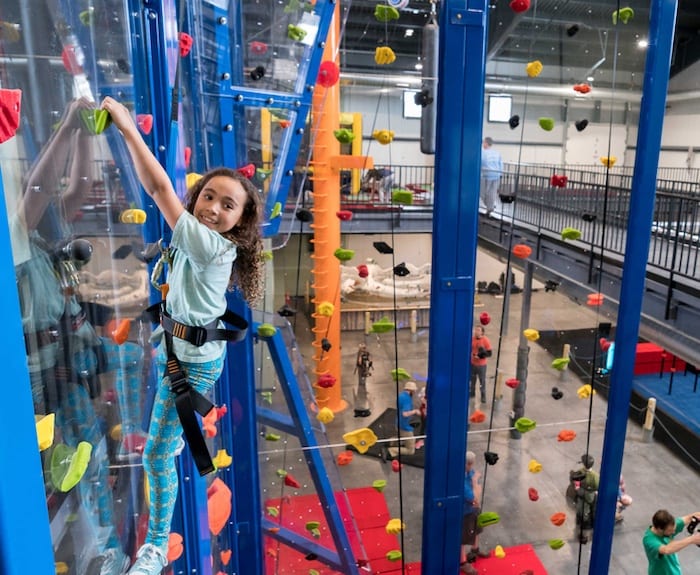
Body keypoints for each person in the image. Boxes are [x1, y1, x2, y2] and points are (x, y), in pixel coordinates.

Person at [101, 97, 265, 575]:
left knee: (157, 453)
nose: (213, 208)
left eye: (227, 204)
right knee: (163, 447)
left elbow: (156, 187)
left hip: (191, 361)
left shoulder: (214, 248)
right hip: (183, 351)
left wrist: (129, 129)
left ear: (239, 222)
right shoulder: (191, 241)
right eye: (208, 196)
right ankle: (171, 472)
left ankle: (154, 547)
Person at [12, 98, 144, 575]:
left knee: (127, 365)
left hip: (70, 356)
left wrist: (87, 132)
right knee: (75, 453)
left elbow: (77, 186)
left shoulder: (46, 246)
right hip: (43, 371)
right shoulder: (17, 241)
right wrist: (68, 125)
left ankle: (97, 535)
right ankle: (94, 548)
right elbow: (40, 188)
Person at [643, 509, 700, 575]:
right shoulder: (649, 540)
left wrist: (695, 517)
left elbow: (689, 517)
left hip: (674, 571)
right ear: (659, 529)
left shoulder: (669, 526)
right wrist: (692, 539)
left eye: (674, 529)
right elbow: (667, 549)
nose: (673, 532)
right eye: (670, 530)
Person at [460, 451, 490, 574]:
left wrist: (476, 489)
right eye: (469, 464)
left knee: (477, 529)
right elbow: (474, 496)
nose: (471, 466)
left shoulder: (469, 472)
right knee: (462, 538)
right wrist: (474, 483)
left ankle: (475, 550)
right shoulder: (460, 479)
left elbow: (478, 491)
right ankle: (462, 562)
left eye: (472, 463)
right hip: (464, 512)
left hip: (473, 509)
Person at [384, 380, 420, 460]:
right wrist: (415, 411)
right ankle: (390, 451)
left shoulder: (401, 396)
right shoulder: (407, 400)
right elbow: (404, 414)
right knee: (410, 450)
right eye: (414, 391)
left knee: (402, 437)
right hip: (405, 427)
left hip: (399, 423)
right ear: (411, 390)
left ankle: (391, 441)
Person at [480, 137, 503, 216]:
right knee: (492, 193)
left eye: (483, 142)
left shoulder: (483, 153)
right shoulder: (497, 153)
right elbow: (501, 164)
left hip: (486, 176)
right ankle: (490, 206)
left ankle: (490, 207)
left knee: (483, 193)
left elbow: (481, 163)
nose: (483, 144)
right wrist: (500, 174)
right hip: (496, 175)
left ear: (486, 143)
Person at [470, 325, 492, 404]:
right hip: (472, 363)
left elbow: (489, 353)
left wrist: (480, 356)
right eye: (476, 330)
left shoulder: (485, 340)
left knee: (482, 381)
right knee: (472, 380)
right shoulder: (472, 339)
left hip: (481, 365)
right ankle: (472, 393)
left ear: (482, 332)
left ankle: (483, 396)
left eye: (478, 330)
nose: (476, 331)